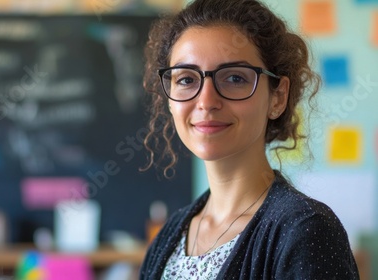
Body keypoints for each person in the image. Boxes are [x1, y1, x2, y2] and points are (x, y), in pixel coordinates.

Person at [139, 0, 360, 279]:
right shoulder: (170, 234)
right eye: (186, 80)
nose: (206, 101)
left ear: (277, 97)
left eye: (234, 78)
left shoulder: (305, 230)